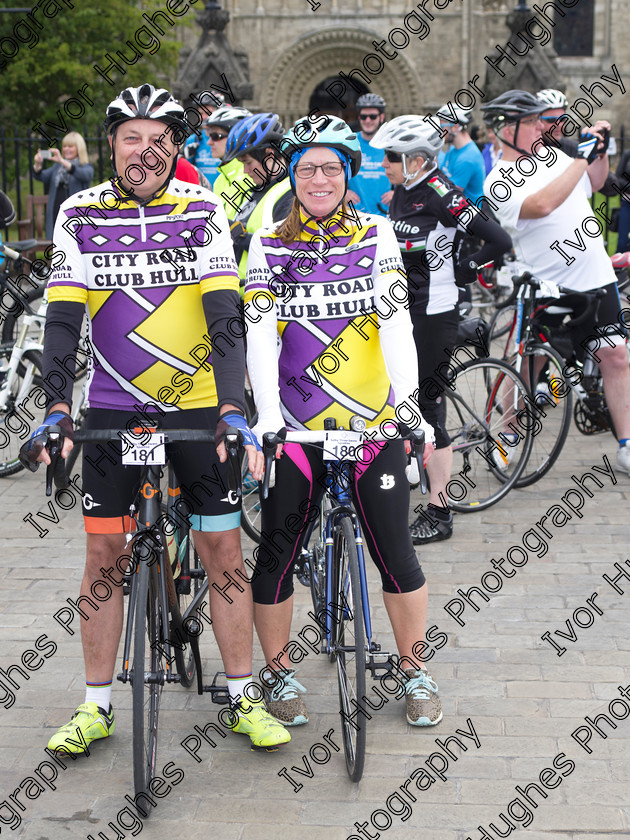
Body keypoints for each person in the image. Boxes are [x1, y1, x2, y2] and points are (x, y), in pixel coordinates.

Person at [21, 84, 290, 753]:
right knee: (103, 554)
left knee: (222, 549)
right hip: (112, 408)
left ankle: (239, 692)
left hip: (197, 406)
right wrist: (57, 407)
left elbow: (225, 316)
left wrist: (231, 408)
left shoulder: (201, 208)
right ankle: (95, 704)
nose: (146, 149)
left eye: (160, 137)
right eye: (132, 136)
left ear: (177, 146)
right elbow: (61, 320)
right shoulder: (79, 213)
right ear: (111, 144)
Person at [244, 114, 443, 729]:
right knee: (276, 551)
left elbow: (395, 327)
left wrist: (409, 407)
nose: (319, 179)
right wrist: (270, 419)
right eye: (307, 169)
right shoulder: (268, 244)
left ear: (347, 173)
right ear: (292, 176)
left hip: (370, 424)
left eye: (331, 167)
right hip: (296, 427)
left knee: (396, 552)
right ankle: (277, 671)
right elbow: (258, 336)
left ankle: (414, 668)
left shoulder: (376, 235)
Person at [370, 115, 512, 544]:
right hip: (403, 309)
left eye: (391, 157)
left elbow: (498, 240)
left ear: (416, 159)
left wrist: (463, 268)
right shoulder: (401, 192)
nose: (385, 164)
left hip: (435, 311)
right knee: (396, 397)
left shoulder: (442, 194)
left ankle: (440, 511)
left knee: (428, 410)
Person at [481, 90, 630, 475]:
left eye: (537, 121)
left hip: (596, 277)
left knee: (616, 357)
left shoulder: (559, 158)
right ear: (505, 130)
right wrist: (580, 158)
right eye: (530, 122)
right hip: (548, 286)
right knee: (527, 363)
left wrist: (600, 150)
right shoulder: (499, 179)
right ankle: (507, 432)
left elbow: (593, 184)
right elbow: (543, 204)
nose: (539, 128)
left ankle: (627, 444)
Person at [220, 112, 293, 284]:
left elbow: (285, 254)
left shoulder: (289, 194)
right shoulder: (259, 189)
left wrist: (241, 236)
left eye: (248, 162)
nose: (245, 170)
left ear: (269, 154)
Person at [32, 132, 94, 239]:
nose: (66, 149)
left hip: (76, 216)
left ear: (79, 148)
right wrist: (37, 163)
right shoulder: (57, 167)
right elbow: (41, 176)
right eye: (64, 146)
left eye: (70, 146)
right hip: (57, 215)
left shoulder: (85, 167)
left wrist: (62, 161)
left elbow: (84, 175)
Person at [346, 93, 392, 215]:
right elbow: (334, 170)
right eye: (363, 116)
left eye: (372, 116)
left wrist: (397, 193)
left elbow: (406, 173)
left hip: (384, 215)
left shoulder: (390, 143)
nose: (367, 120)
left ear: (381, 117)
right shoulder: (349, 142)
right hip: (355, 215)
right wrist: (343, 193)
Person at [204, 105, 254, 219]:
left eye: (215, 136)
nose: (209, 142)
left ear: (237, 137)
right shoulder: (219, 180)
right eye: (209, 136)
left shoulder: (252, 176)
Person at [436, 105, 486, 204]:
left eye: (442, 126)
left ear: (455, 127)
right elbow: (440, 170)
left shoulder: (468, 158)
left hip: (467, 214)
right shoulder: (453, 148)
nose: (439, 131)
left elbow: (448, 195)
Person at [183, 90, 225, 182]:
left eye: (208, 113)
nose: (204, 117)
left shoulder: (225, 139)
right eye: (201, 113)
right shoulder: (193, 140)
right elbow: (187, 173)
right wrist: (188, 159)